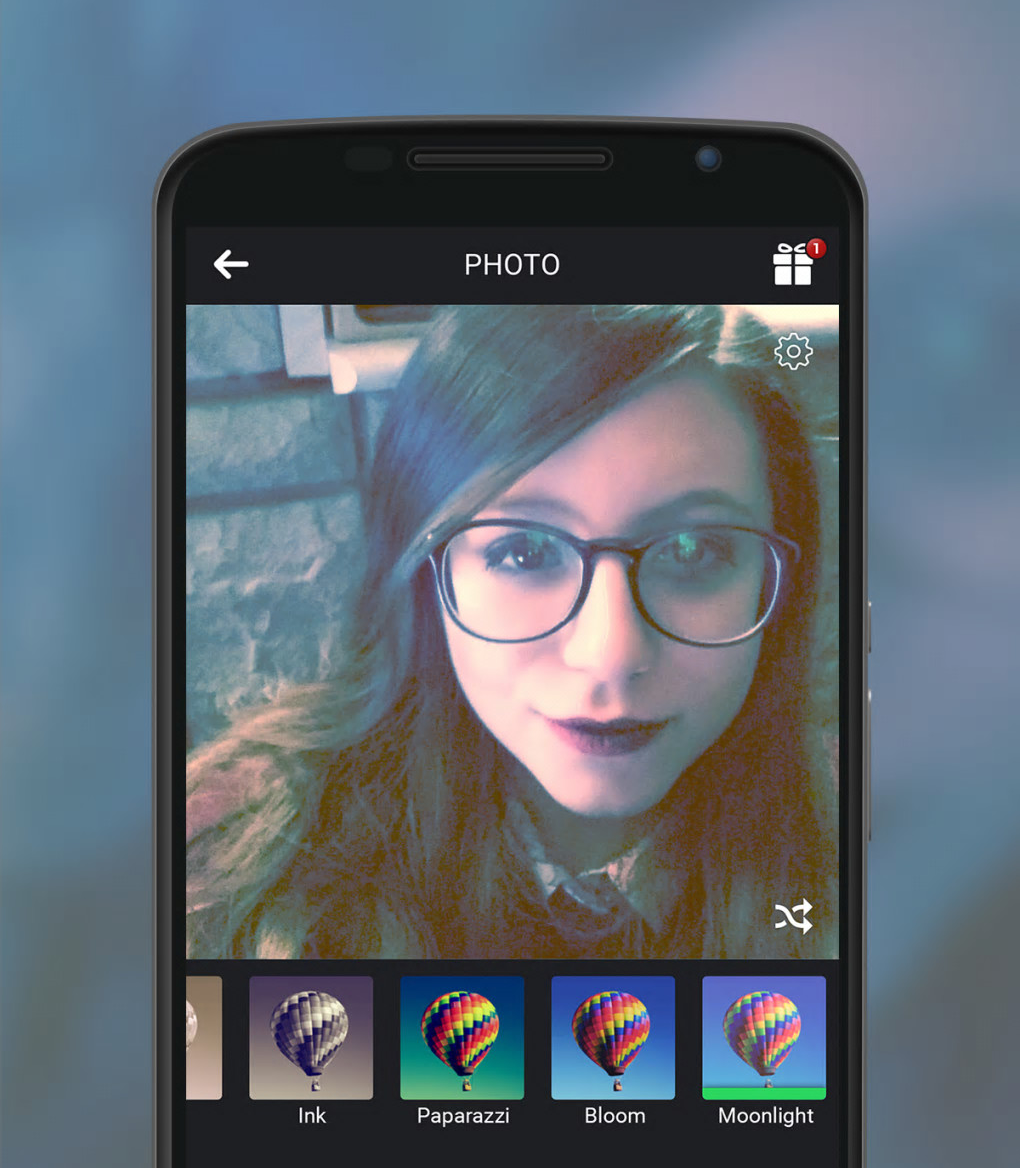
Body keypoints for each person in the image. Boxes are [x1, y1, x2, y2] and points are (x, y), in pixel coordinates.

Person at [186, 304, 838, 959]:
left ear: (777, 582)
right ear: (426, 570)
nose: (610, 654)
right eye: (524, 552)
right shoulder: (231, 868)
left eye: (693, 550)